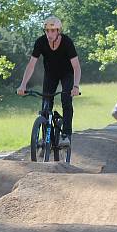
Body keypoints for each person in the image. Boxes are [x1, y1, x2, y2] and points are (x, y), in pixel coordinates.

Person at [16, 16, 81, 147]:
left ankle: (66, 135)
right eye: (47, 31)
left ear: (58, 31)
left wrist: (75, 86)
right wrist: (23, 85)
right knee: (45, 104)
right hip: (51, 74)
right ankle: (47, 141)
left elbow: (76, 67)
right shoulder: (40, 42)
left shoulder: (67, 42)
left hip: (67, 74)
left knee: (66, 100)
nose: (49, 34)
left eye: (53, 31)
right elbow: (31, 65)